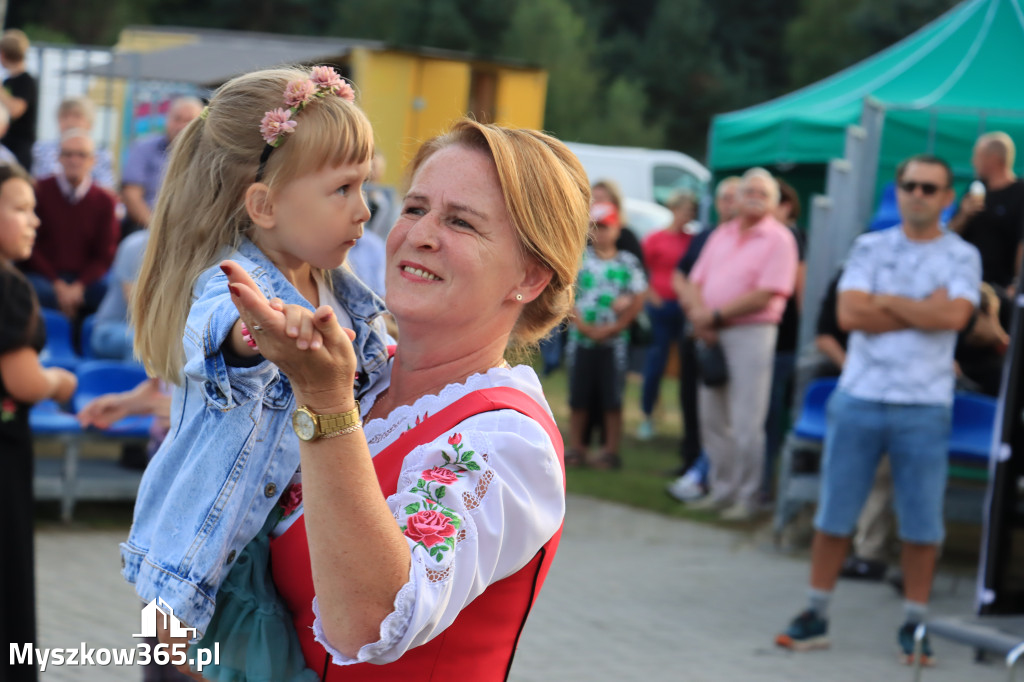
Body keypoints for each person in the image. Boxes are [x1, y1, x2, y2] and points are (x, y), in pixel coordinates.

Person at [213, 117, 589, 679]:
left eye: (461, 221)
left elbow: (369, 622)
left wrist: (325, 404)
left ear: (531, 278)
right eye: (414, 208)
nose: (421, 234)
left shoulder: (509, 443)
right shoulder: (363, 376)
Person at [120, 67, 392, 681]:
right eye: (343, 190)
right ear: (265, 205)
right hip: (211, 574)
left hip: (281, 559)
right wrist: (259, 335)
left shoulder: (343, 293)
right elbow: (229, 332)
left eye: (364, 186)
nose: (364, 209)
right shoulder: (231, 286)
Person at [776, 154, 981, 666]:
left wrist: (884, 303)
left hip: (925, 404)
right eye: (909, 185)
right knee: (834, 513)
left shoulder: (962, 255)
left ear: (947, 197)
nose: (917, 194)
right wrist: (921, 309)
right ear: (898, 189)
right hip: (860, 396)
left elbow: (956, 315)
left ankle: (914, 623)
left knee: (921, 523)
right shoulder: (870, 246)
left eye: (929, 188)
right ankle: (815, 614)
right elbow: (848, 314)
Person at [677, 169, 798, 521]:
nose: (755, 196)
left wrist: (712, 317)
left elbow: (768, 292)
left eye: (763, 192)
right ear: (738, 196)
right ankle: (720, 488)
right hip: (710, 332)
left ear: (775, 201)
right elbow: (696, 280)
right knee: (712, 416)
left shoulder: (780, 239)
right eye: (749, 190)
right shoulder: (722, 233)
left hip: (751, 333)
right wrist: (702, 318)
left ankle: (748, 497)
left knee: (747, 419)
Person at [0, 163, 78, 682]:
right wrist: (59, 383)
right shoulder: (9, 287)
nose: (34, 222)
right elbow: (23, 381)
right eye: (20, 209)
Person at [666, 176, 741, 500]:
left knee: (724, 407)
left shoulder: (746, 240)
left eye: (734, 198)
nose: (729, 204)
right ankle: (690, 461)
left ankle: (714, 475)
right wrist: (695, 311)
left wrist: (711, 316)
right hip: (696, 328)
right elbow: (682, 275)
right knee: (690, 398)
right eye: (724, 198)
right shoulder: (707, 236)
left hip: (727, 333)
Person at [566, 201, 647, 469]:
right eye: (595, 228)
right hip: (581, 340)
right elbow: (566, 294)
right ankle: (577, 447)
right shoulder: (579, 259)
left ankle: (610, 451)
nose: (600, 233)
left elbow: (638, 295)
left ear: (617, 229)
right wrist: (583, 326)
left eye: (606, 227)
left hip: (615, 343)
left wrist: (617, 326)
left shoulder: (627, 262)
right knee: (580, 396)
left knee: (612, 398)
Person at [21, 129, 119, 322]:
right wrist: (58, 285)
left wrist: (78, 286)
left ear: (93, 160)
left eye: (81, 154)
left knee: (110, 294)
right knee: (29, 289)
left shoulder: (105, 200)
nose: (74, 160)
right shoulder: (38, 191)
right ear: (59, 158)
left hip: (86, 280)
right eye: (68, 154)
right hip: (44, 277)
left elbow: (105, 254)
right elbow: (30, 246)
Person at [637, 190, 696, 441]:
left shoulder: (692, 241)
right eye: (684, 210)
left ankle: (686, 422)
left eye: (691, 212)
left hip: (683, 308)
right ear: (674, 210)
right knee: (656, 361)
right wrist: (651, 295)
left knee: (686, 364)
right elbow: (642, 270)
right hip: (660, 307)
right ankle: (648, 415)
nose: (687, 216)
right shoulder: (655, 239)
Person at [762, 179, 807, 505]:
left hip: (784, 339)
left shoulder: (791, 238)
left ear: (787, 207)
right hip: (771, 340)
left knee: (771, 415)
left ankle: (766, 483)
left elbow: (801, 290)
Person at [949, 132, 1024, 294]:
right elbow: (948, 236)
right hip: (964, 284)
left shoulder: (1020, 192)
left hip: (1001, 290)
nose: (972, 161)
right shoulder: (973, 190)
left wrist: (1018, 284)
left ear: (993, 159)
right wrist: (964, 214)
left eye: (977, 156)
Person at [120, 96, 203, 235]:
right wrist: (155, 229)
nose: (181, 126)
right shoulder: (143, 148)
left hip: (192, 231)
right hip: (145, 227)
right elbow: (131, 195)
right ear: (167, 119)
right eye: (177, 119)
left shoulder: (209, 156)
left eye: (189, 121)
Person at [31, 96, 116, 189]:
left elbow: (106, 186)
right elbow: (39, 183)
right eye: (65, 116)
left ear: (90, 123)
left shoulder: (102, 153)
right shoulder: (42, 149)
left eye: (77, 116)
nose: (70, 121)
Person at [0, 30, 37, 171]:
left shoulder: (26, 80)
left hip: (20, 147)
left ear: (2, 53)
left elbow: (16, 110)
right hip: (7, 143)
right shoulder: (8, 80)